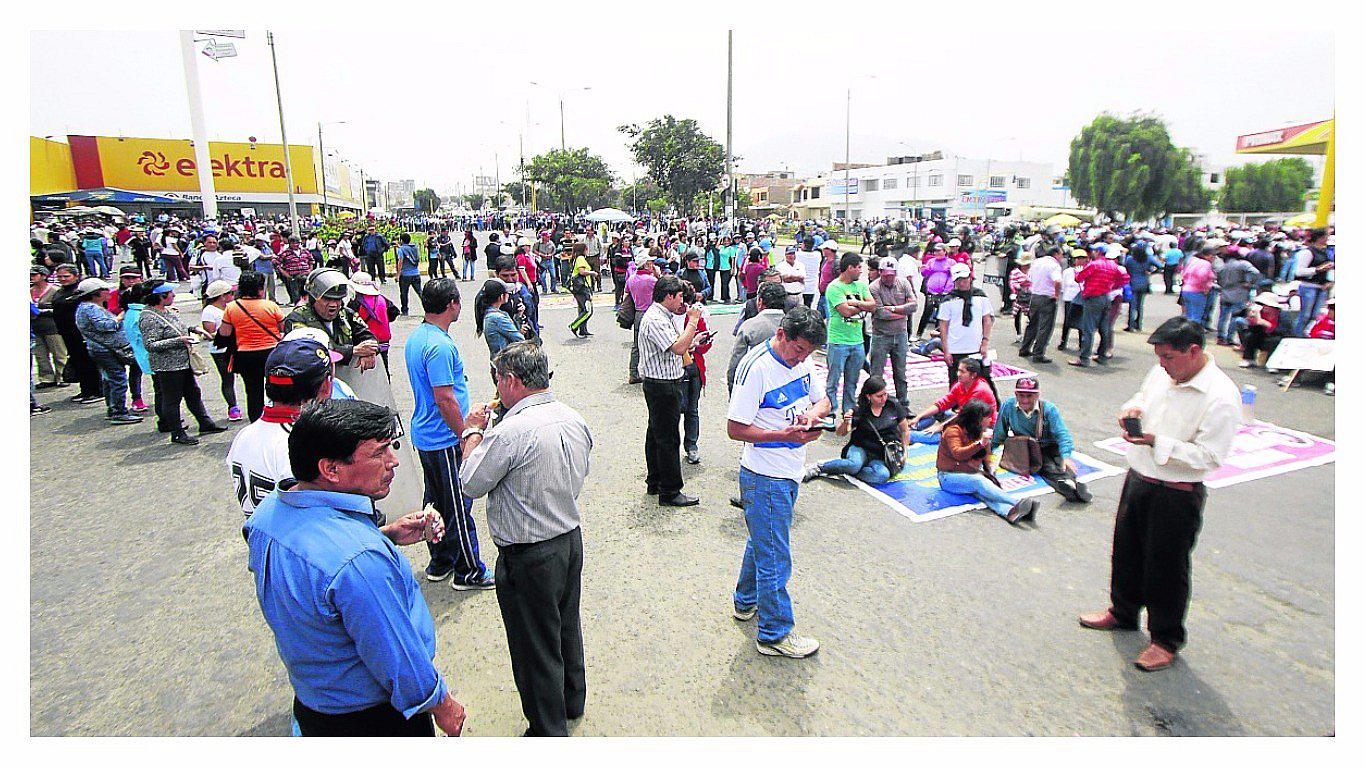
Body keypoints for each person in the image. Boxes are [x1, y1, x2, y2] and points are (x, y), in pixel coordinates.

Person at [243, 399, 464, 736]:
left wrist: (384, 535)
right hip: (374, 718)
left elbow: (317, 572)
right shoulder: (360, 561)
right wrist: (441, 704)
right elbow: (398, 657)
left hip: (315, 705)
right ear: (331, 469)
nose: (393, 462)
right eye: (379, 453)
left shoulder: (268, 515)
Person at [1079, 317, 1241, 672]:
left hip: (1176, 493)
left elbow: (1210, 456)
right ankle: (1122, 612)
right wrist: (1133, 409)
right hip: (1140, 477)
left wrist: (1157, 442)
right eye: (1159, 357)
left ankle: (1165, 639)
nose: (1162, 364)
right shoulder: (1162, 373)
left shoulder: (1221, 396)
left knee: (1165, 568)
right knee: (1126, 552)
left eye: (1168, 357)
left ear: (1193, 351)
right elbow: (1142, 395)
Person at [459, 341, 593, 737]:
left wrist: (471, 433)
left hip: (529, 551)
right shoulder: (572, 417)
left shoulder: (509, 432)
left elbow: (471, 481)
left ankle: (547, 730)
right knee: (565, 625)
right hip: (568, 537)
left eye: (498, 379)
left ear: (511, 381)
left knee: (534, 644)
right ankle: (571, 699)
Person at [727, 306, 831, 658]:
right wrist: (782, 434)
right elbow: (735, 428)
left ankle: (745, 601)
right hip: (765, 475)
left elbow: (824, 400)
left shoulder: (802, 361)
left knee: (763, 541)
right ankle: (773, 634)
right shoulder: (757, 368)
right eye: (798, 350)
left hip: (789, 468)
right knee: (775, 555)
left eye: (809, 354)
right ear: (782, 334)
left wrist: (811, 417)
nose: (801, 359)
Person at [405, 279, 494, 590]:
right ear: (452, 304)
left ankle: (440, 559)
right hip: (443, 437)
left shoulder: (419, 336)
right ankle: (468, 570)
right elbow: (445, 398)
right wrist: (465, 433)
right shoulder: (440, 346)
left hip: (426, 434)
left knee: (436, 501)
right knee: (457, 506)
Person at [225, 335, 339, 517]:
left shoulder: (244, 435)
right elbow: (319, 524)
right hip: (297, 540)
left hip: (262, 536)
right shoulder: (305, 443)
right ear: (325, 386)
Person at [637, 275, 703, 507]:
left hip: (662, 381)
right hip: (662, 384)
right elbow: (676, 347)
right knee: (667, 438)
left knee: (656, 434)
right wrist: (693, 321)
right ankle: (670, 490)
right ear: (669, 296)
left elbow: (674, 345)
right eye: (679, 298)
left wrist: (692, 340)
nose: (681, 303)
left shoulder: (662, 316)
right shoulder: (656, 318)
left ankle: (655, 481)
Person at [139, 282, 227, 445]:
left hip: (182, 362)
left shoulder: (165, 311)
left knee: (193, 393)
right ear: (160, 296)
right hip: (168, 365)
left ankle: (205, 423)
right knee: (172, 399)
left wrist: (194, 329)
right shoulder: (148, 318)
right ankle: (177, 432)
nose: (173, 295)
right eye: (170, 293)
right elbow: (150, 345)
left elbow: (176, 327)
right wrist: (179, 341)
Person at [935, 399, 1038, 524]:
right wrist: (980, 443)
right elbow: (958, 454)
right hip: (948, 477)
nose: (990, 420)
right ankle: (1016, 502)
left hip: (970, 474)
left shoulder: (980, 433)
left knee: (985, 493)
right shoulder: (953, 431)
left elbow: (986, 459)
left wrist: (991, 474)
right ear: (977, 419)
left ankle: (1010, 512)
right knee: (978, 482)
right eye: (987, 417)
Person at [990, 377, 1091, 503]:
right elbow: (999, 433)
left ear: (1037, 395)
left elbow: (1062, 434)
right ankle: (1070, 488)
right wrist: (989, 450)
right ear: (1016, 394)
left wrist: (1066, 456)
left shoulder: (1049, 409)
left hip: (1050, 445)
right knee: (1048, 468)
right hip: (1026, 448)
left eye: (1029, 396)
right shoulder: (1008, 406)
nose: (1025, 400)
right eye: (1021, 395)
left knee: (1061, 463)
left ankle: (1071, 484)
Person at [803, 375, 907, 485]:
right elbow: (840, 433)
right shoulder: (860, 410)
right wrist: (846, 422)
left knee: (882, 475)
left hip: (881, 453)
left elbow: (905, 430)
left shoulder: (893, 405)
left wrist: (905, 451)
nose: (884, 398)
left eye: (885, 394)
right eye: (879, 396)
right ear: (869, 396)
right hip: (861, 447)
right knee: (854, 465)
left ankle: (849, 469)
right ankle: (821, 467)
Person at [218, 271, 287, 422]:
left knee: (253, 391)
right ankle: (279, 419)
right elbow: (284, 328)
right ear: (260, 289)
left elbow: (225, 332)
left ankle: (256, 422)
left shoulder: (232, 308)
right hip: (271, 353)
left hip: (245, 356)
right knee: (276, 388)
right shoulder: (271, 306)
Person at [73, 278, 143, 425]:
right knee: (118, 380)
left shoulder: (90, 307)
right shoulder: (89, 308)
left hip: (103, 349)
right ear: (96, 294)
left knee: (110, 379)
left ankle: (113, 408)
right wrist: (120, 317)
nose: (109, 292)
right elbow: (106, 326)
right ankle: (118, 412)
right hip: (105, 350)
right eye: (105, 290)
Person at [824, 253, 876, 415]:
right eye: (858, 267)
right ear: (849, 268)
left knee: (852, 381)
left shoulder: (861, 285)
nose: (861, 271)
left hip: (857, 341)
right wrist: (862, 306)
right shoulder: (834, 287)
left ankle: (848, 410)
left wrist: (855, 303)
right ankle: (830, 411)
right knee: (833, 380)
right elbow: (845, 311)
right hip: (838, 341)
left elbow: (873, 305)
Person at [50, 264, 104, 403]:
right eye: (60, 276)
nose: (63, 279)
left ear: (76, 276)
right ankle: (85, 390)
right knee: (78, 362)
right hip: (66, 333)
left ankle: (96, 391)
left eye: (66, 276)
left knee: (88, 362)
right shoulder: (60, 292)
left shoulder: (81, 293)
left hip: (81, 333)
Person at [868, 256, 916, 409]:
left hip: (900, 334)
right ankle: (874, 405)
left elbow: (914, 305)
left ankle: (903, 404)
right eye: (886, 274)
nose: (889, 277)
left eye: (892, 274)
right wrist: (903, 312)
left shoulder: (903, 283)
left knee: (900, 372)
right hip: (881, 334)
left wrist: (895, 309)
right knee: (876, 374)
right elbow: (881, 313)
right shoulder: (874, 287)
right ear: (880, 272)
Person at [1070, 246, 1128, 368]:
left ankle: (1084, 358)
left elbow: (1078, 278)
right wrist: (1112, 286)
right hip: (1105, 297)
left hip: (1093, 297)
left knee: (1088, 328)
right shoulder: (1113, 266)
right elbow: (1125, 278)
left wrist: (1077, 271)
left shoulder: (1094, 265)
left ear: (1098, 252)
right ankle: (1102, 355)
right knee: (1104, 328)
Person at [936, 263, 994, 377]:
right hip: (955, 348)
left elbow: (987, 320)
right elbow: (943, 326)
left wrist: (985, 342)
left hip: (976, 348)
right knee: (956, 384)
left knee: (983, 381)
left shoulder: (980, 296)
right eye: (958, 280)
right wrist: (946, 351)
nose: (962, 283)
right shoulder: (947, 300)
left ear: (970, 278)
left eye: (964, 279)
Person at [727, 282, 787, 391]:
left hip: (755, 384)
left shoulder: (749, 326)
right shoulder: (792, 325)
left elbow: (736, 360)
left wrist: (732, 386)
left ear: (760, 302)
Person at [200, 280, 242, 422]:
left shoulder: (230, 307)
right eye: (230, 293)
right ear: (222, 296)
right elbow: (209, 333)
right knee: (227, 378)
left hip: (237, 346)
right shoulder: (210, 311)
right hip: (220, 350)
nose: (233, 296)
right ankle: (233, 407)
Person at [1019, 245, 1062, 363]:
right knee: (1045, 327)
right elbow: (1057, 280)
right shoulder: (1054, 265)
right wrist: (1057, 294)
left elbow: (1029, 278)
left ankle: (1024, 348)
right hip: (1047, 297)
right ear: (1056, 254)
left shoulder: (1037, 262)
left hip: (1035, 296)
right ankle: (1038, 353)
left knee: (1032, 324)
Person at [349, 272, 400, 372]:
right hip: (384, 342)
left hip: (366, 343)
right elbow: (394, 313)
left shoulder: (355, 303)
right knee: (384, 369)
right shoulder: (382, 299)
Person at [30, 266, 68, 390]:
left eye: (35, 274)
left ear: (43, 276)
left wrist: (42, 310)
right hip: (35, 327)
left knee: (59, 353)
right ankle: (46, 378)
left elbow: (60, 308)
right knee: (40, 355)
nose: (31, 277)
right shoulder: (29, 290)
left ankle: (62, 376)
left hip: (52, 326)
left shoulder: (55, 290)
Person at [1291, 228, 1333, 336]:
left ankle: (1306, 335)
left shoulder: (1325, 252)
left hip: (1321, 287)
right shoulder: (1308, 252)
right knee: (1304, 315)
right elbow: (1299, 271)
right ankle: (1297, 335)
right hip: (1308, 286)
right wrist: (1318, 269)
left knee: (1315, 315)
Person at [1215, 248, 1260, 345]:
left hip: (1225, 293)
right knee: (1235, 317)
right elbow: (1256, 272)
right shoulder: (1242, 264)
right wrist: (1249, 283)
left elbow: (1218, 280)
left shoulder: (1222, 266)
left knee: (1222, 317)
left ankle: (1221, 337)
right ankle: (1230, 338)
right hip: (1239, 293)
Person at [625, 259, 660, 384]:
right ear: (646, 264)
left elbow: (627, 293)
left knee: (637, 345)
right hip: (652, 312)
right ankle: (654, 372)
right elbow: (663, 287)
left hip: (638, 312)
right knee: (656, 343)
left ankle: (633, 372)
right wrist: (657, 273)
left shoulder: (631, 279)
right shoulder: (652, 280)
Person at [474, 279, 525, 357]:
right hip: (504, 363)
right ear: (501, 296)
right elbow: (519, 339)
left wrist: (518, 316)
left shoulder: (489, 313)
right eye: (507, 293)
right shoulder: (497, 318)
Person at [1122, 239, 1161, 332]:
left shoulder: (1130, 259)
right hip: (1144, 282)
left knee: (1132, 305)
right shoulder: (1148, 258)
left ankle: (1130, 325)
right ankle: (1139, 325)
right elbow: (1160, 266)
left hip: (1133, 282)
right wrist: (1151, 272)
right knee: (1140, 305)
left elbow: (1125, 268)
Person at [1178, 247, 1217, 325]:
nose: (1214, 258)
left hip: (1186, 289)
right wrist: (1206, 287)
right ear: (1208, 255)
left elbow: (1184, 273)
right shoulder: (1206, 264)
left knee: (1189, 315)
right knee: (1196, 316)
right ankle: (1194, 334)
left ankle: (1186, 332)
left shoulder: (1193, 261)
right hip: (1197, 291)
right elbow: (1202, 276)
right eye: (1213, 256)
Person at [567, 242, 596, 338]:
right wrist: (592, 273)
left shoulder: (577, 258)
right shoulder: (580, 259)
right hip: (582, 288)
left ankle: (583, 329)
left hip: (581, 287)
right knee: (587, 310)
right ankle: (574, 326)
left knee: (582, 308)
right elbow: (582, 272)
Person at [396, 233, 423, 315]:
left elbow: (400, 261)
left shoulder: (401, 249)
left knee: (404, 293)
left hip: (405, 275)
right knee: (420, 292)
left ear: (401, 240)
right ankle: (428, 308)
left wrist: (398, 274)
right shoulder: (415, 248)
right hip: (416, 273)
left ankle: (405, 310)